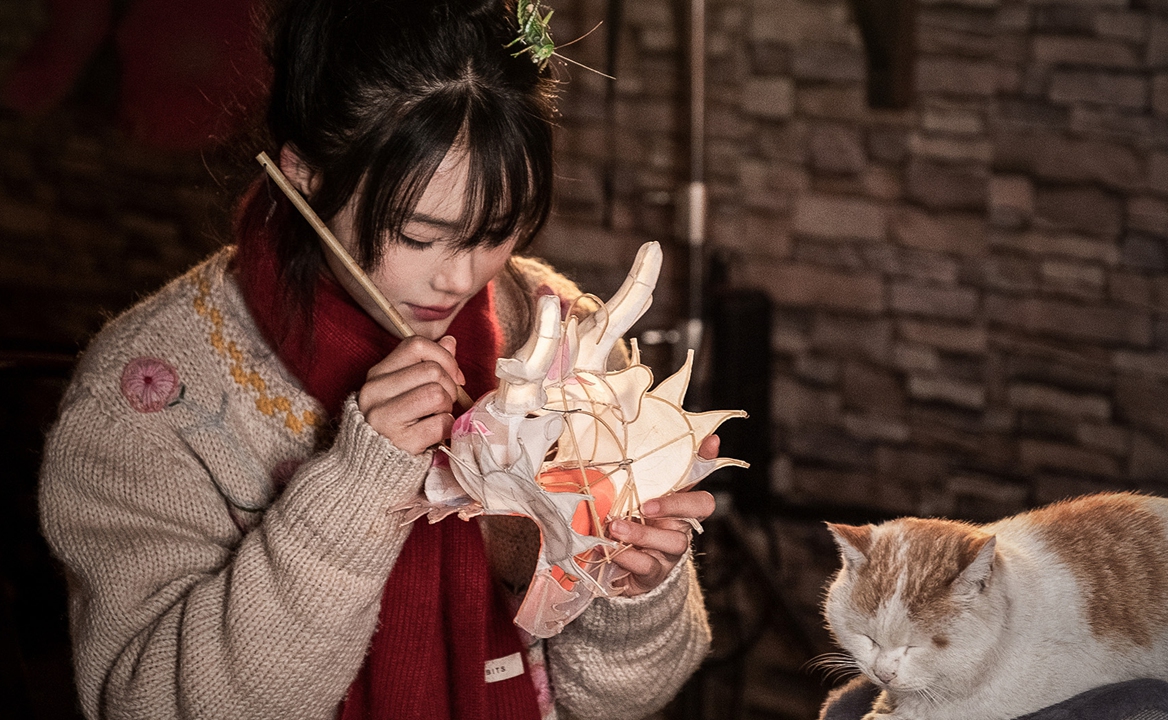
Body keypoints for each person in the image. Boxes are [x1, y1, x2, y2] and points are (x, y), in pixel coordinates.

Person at [37, 1, 714, 718]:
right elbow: (146, 708)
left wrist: (636, 587)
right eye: (419, 236)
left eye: (495, 231)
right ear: (304, 172)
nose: (459, 279)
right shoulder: (152, 391)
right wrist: (358, 486)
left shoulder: (560, 339)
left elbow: (624, 701)